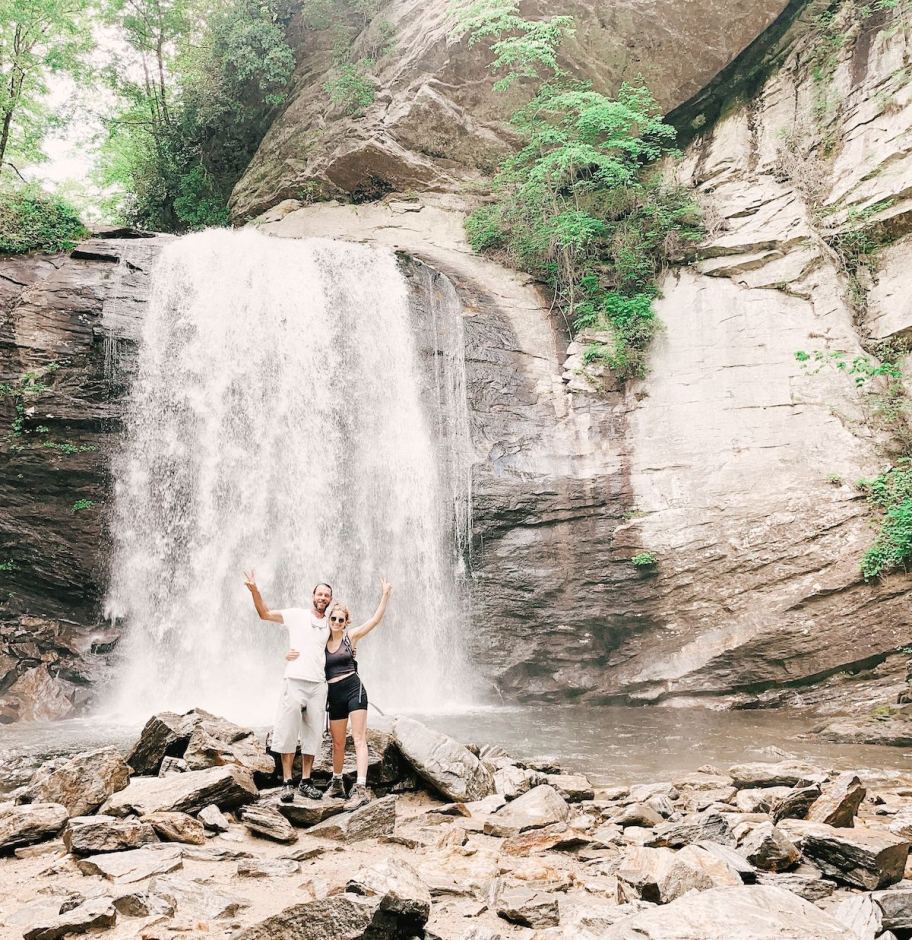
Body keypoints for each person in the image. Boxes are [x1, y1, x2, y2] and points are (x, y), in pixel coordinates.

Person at [287, 578, 392, 810]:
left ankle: (361, 786)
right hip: (333, 695)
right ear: (329, 620)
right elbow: (304, 650)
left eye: (340, 619)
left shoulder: (350, 637)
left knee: (359, 738)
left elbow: (375, 620)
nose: (336, 621)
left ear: (346, 622)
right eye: (333, 618)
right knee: (337, 743)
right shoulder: (321, 640)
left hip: (354, 690)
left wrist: (385, 594)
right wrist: (288, 656)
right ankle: (337, 783)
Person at [244, 570, 331, 804]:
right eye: (319, 593)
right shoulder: (296, 615)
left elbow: (343, 644)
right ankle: (286, 783)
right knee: (287, 732)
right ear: (313, 596)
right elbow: (264, 614)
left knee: (313, 735)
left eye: (326, 595)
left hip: (318, 685)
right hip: (294, 680)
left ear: (330, 600)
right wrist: (255, 590)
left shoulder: (330, 624)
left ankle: (305, 781)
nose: (322, 597)